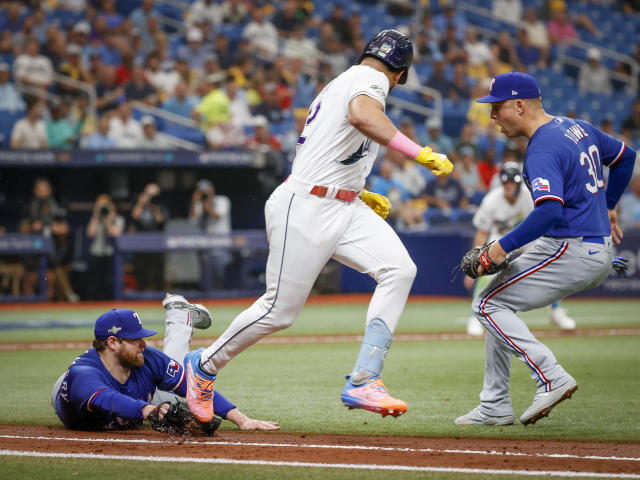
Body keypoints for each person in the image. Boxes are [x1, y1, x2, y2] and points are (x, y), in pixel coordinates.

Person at [182, 29, 453, 423]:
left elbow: (334, 146)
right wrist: (419, 152)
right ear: (400, 73)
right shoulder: (371, 78)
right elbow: (363, 116)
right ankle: (203, 365)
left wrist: (357, 192)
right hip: (307, 204)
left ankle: (364, 379)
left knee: (399, 269)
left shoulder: (345, 82)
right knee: (279, 310)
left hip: (341, 204)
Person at [455, 72, 635, 427]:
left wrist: (500, 248)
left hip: (572, 246)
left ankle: (550, 376)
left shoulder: (541, 149)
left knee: (486, 305)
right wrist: (609, 204)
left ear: (519, 105)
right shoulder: (578, 127)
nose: (492, 117)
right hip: (592, 248)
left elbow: (550, 211)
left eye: (497, 107)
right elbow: (627, 157)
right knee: (496, 301)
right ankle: (494, 405)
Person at [51, 297, 279, 432]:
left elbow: (194, 385)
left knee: (186, 397)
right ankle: (181, 317)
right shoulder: (82, 376)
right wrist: (151, 411)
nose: (144, 343)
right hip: (78, 395)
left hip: (138, 394)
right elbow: (107, 399)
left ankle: (180, 315)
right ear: (112, 342)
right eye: (135, 339)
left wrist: (241, 419)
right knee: (166, 407)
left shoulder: (147, 357)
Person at [464, 162, 577, 337]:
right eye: (506, 182)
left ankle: (556, 311)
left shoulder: (529, 197)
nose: (510, 185)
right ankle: (475, 317)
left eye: (513, 182)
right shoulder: (491, 200)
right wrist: (477, 260)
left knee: (548, 269)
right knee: (486, 268)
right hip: (500, 237)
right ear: (501, 183)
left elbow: (545, 221)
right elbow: (482, 231)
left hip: (525, 236)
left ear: (519, 183)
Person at [189, 179, 232, 289]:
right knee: (205, 277)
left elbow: (217, 215)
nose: (204, 193)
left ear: (212, 190)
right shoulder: (199, 204)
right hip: (205, 244)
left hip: (221, 243)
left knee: (220, 274)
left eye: (206, 190)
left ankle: (222, 299)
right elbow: (192, 221)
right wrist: (194, 202)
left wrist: (207, 200)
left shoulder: (222, 200)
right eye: (201, 191)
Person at [85, 194, 124, 300]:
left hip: (111, 254)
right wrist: (96, 214)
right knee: (96, 282)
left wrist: (108, 218)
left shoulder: (118, 219)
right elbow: (90, 233)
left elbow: (113, 232)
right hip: (96, 253)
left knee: (109, 281)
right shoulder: (96, 219)